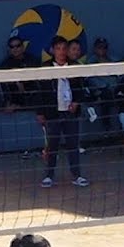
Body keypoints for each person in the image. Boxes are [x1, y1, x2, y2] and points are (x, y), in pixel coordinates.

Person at [36, 36, 89, 189]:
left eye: (64, 48)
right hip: (52, 114)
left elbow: (81, 89)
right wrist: (40, 112)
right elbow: (39, 93)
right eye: (58, 48)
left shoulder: (74, 66)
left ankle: (77, 175)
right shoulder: (45, 67)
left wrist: (76, 103)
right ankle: (49, 176)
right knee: (52, 146)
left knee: (73, 145)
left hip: (70, 113)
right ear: (53, 50)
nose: (61, 52)